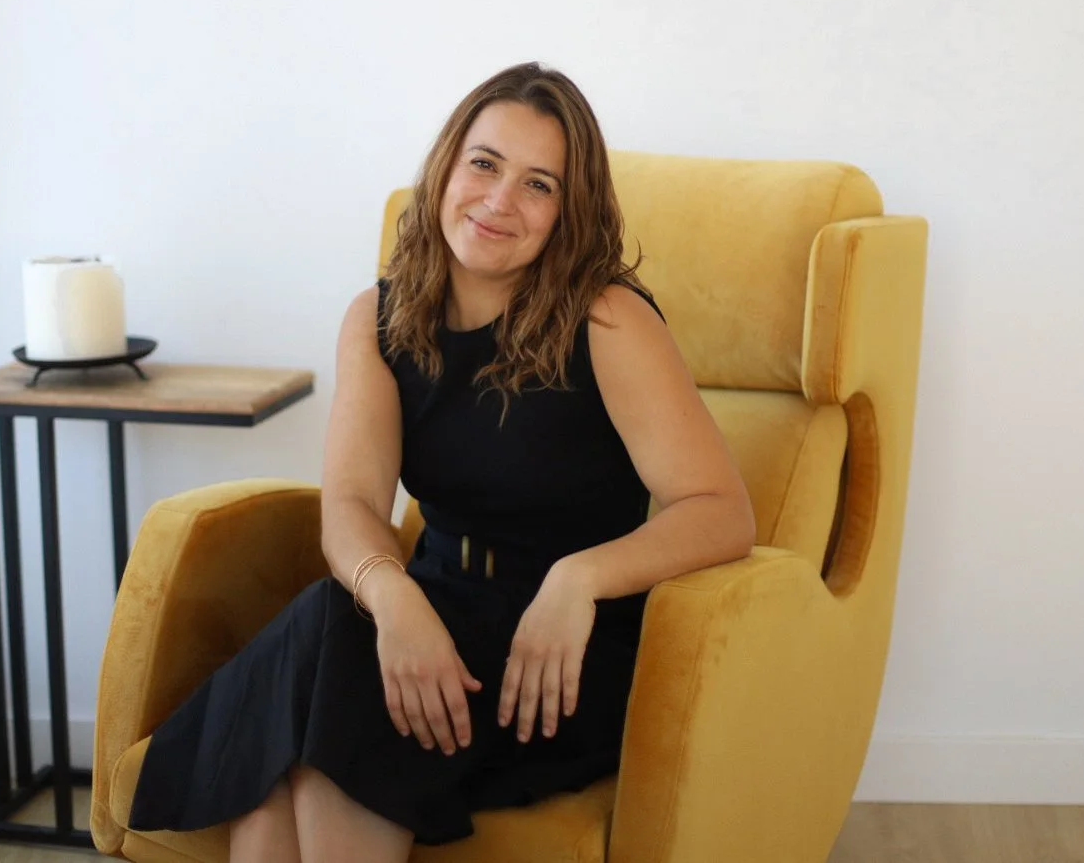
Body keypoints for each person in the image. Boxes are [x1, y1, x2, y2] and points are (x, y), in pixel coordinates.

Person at [127, 62, 755, 862]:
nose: (499, 200)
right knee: (318, 688)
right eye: (484, 164)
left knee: (308, 713)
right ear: (446, 167)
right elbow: (353, 504)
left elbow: (720, 510)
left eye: (539, 185)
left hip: (557, 658)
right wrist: (394, 602)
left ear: (569, 213)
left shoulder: (607, 319)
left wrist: (579, 580)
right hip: (433, 617)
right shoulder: (378, 318)